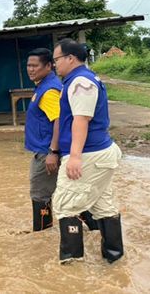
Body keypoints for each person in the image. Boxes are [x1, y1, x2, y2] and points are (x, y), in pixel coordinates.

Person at [52, 38, 124, 264]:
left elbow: (81, 120)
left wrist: (74, 157)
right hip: (99, 153)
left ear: (70, 58)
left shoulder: (80, 82)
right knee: (104, 205)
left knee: (66, 205)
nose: (55, 65)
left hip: (88, 153)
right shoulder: (80, 79)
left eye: (56, 60)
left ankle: (72, 264)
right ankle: (114, 260)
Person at [24, 48, 62, 232]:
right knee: (62, 192)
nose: (30, 69)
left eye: (35, 65)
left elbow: (59, 120)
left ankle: (41, 235)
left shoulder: (49, 91)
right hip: (44, 150)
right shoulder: (44, 85)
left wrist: (53, 152)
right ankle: (94, 229)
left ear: (48, 66)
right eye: (28, 65)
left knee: (40, 195)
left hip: (46, 152)